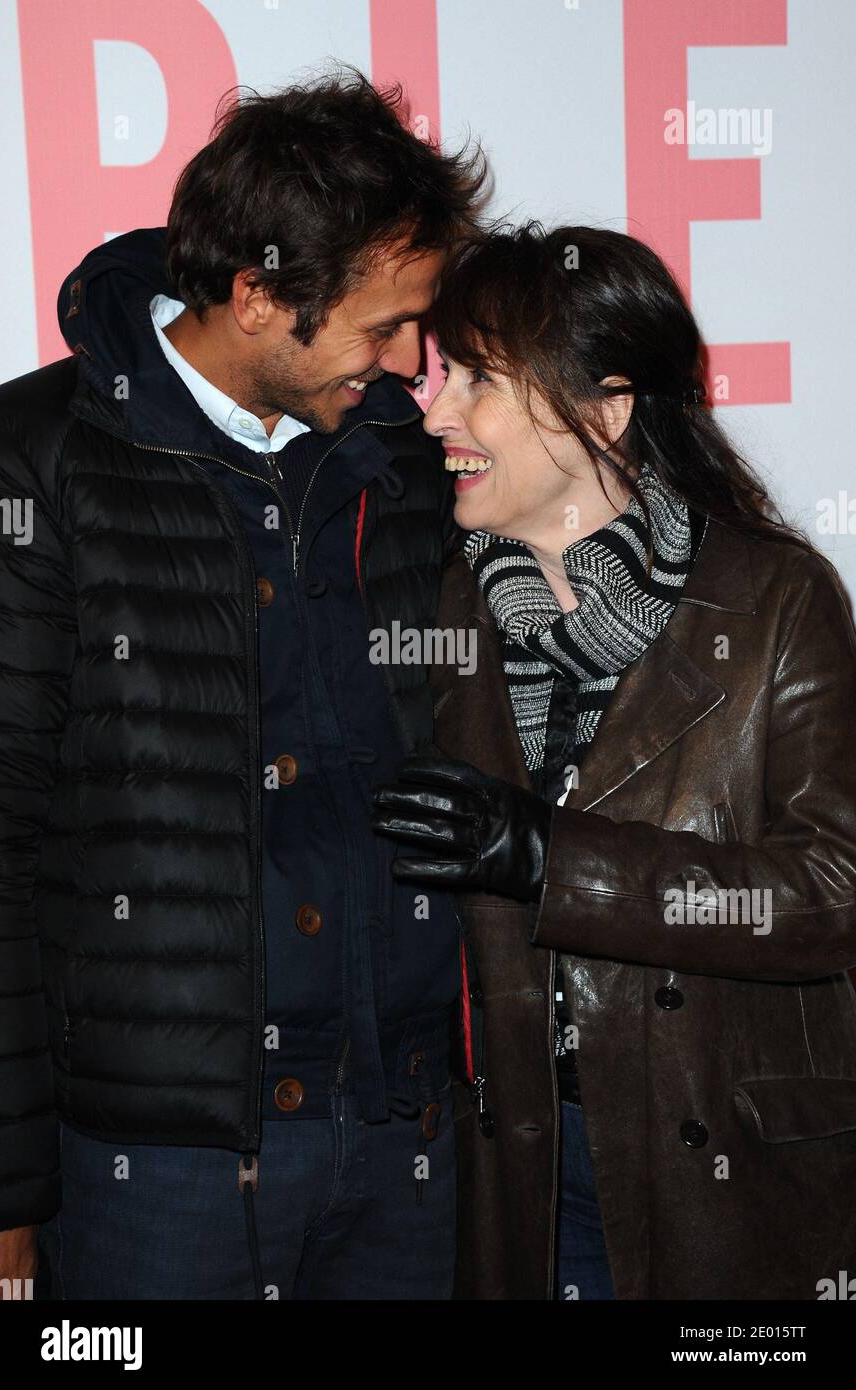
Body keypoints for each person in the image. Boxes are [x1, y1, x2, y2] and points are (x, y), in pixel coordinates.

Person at [0, 66, 487, 1300]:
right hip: (155, 1171)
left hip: (406, 1134)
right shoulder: (35, 460)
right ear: (259, 295)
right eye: (383, 327)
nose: (413, 362)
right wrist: (3, 1191)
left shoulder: (409, 465)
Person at [372, 223, 856, 1300]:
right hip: (524, 1180)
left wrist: (554, 860)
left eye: (478, 379)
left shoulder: (775, 600)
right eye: (441, 373)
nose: (434, 408)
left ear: (605, 407)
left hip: (724, 1179)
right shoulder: (453, 607)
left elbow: (832, 894)